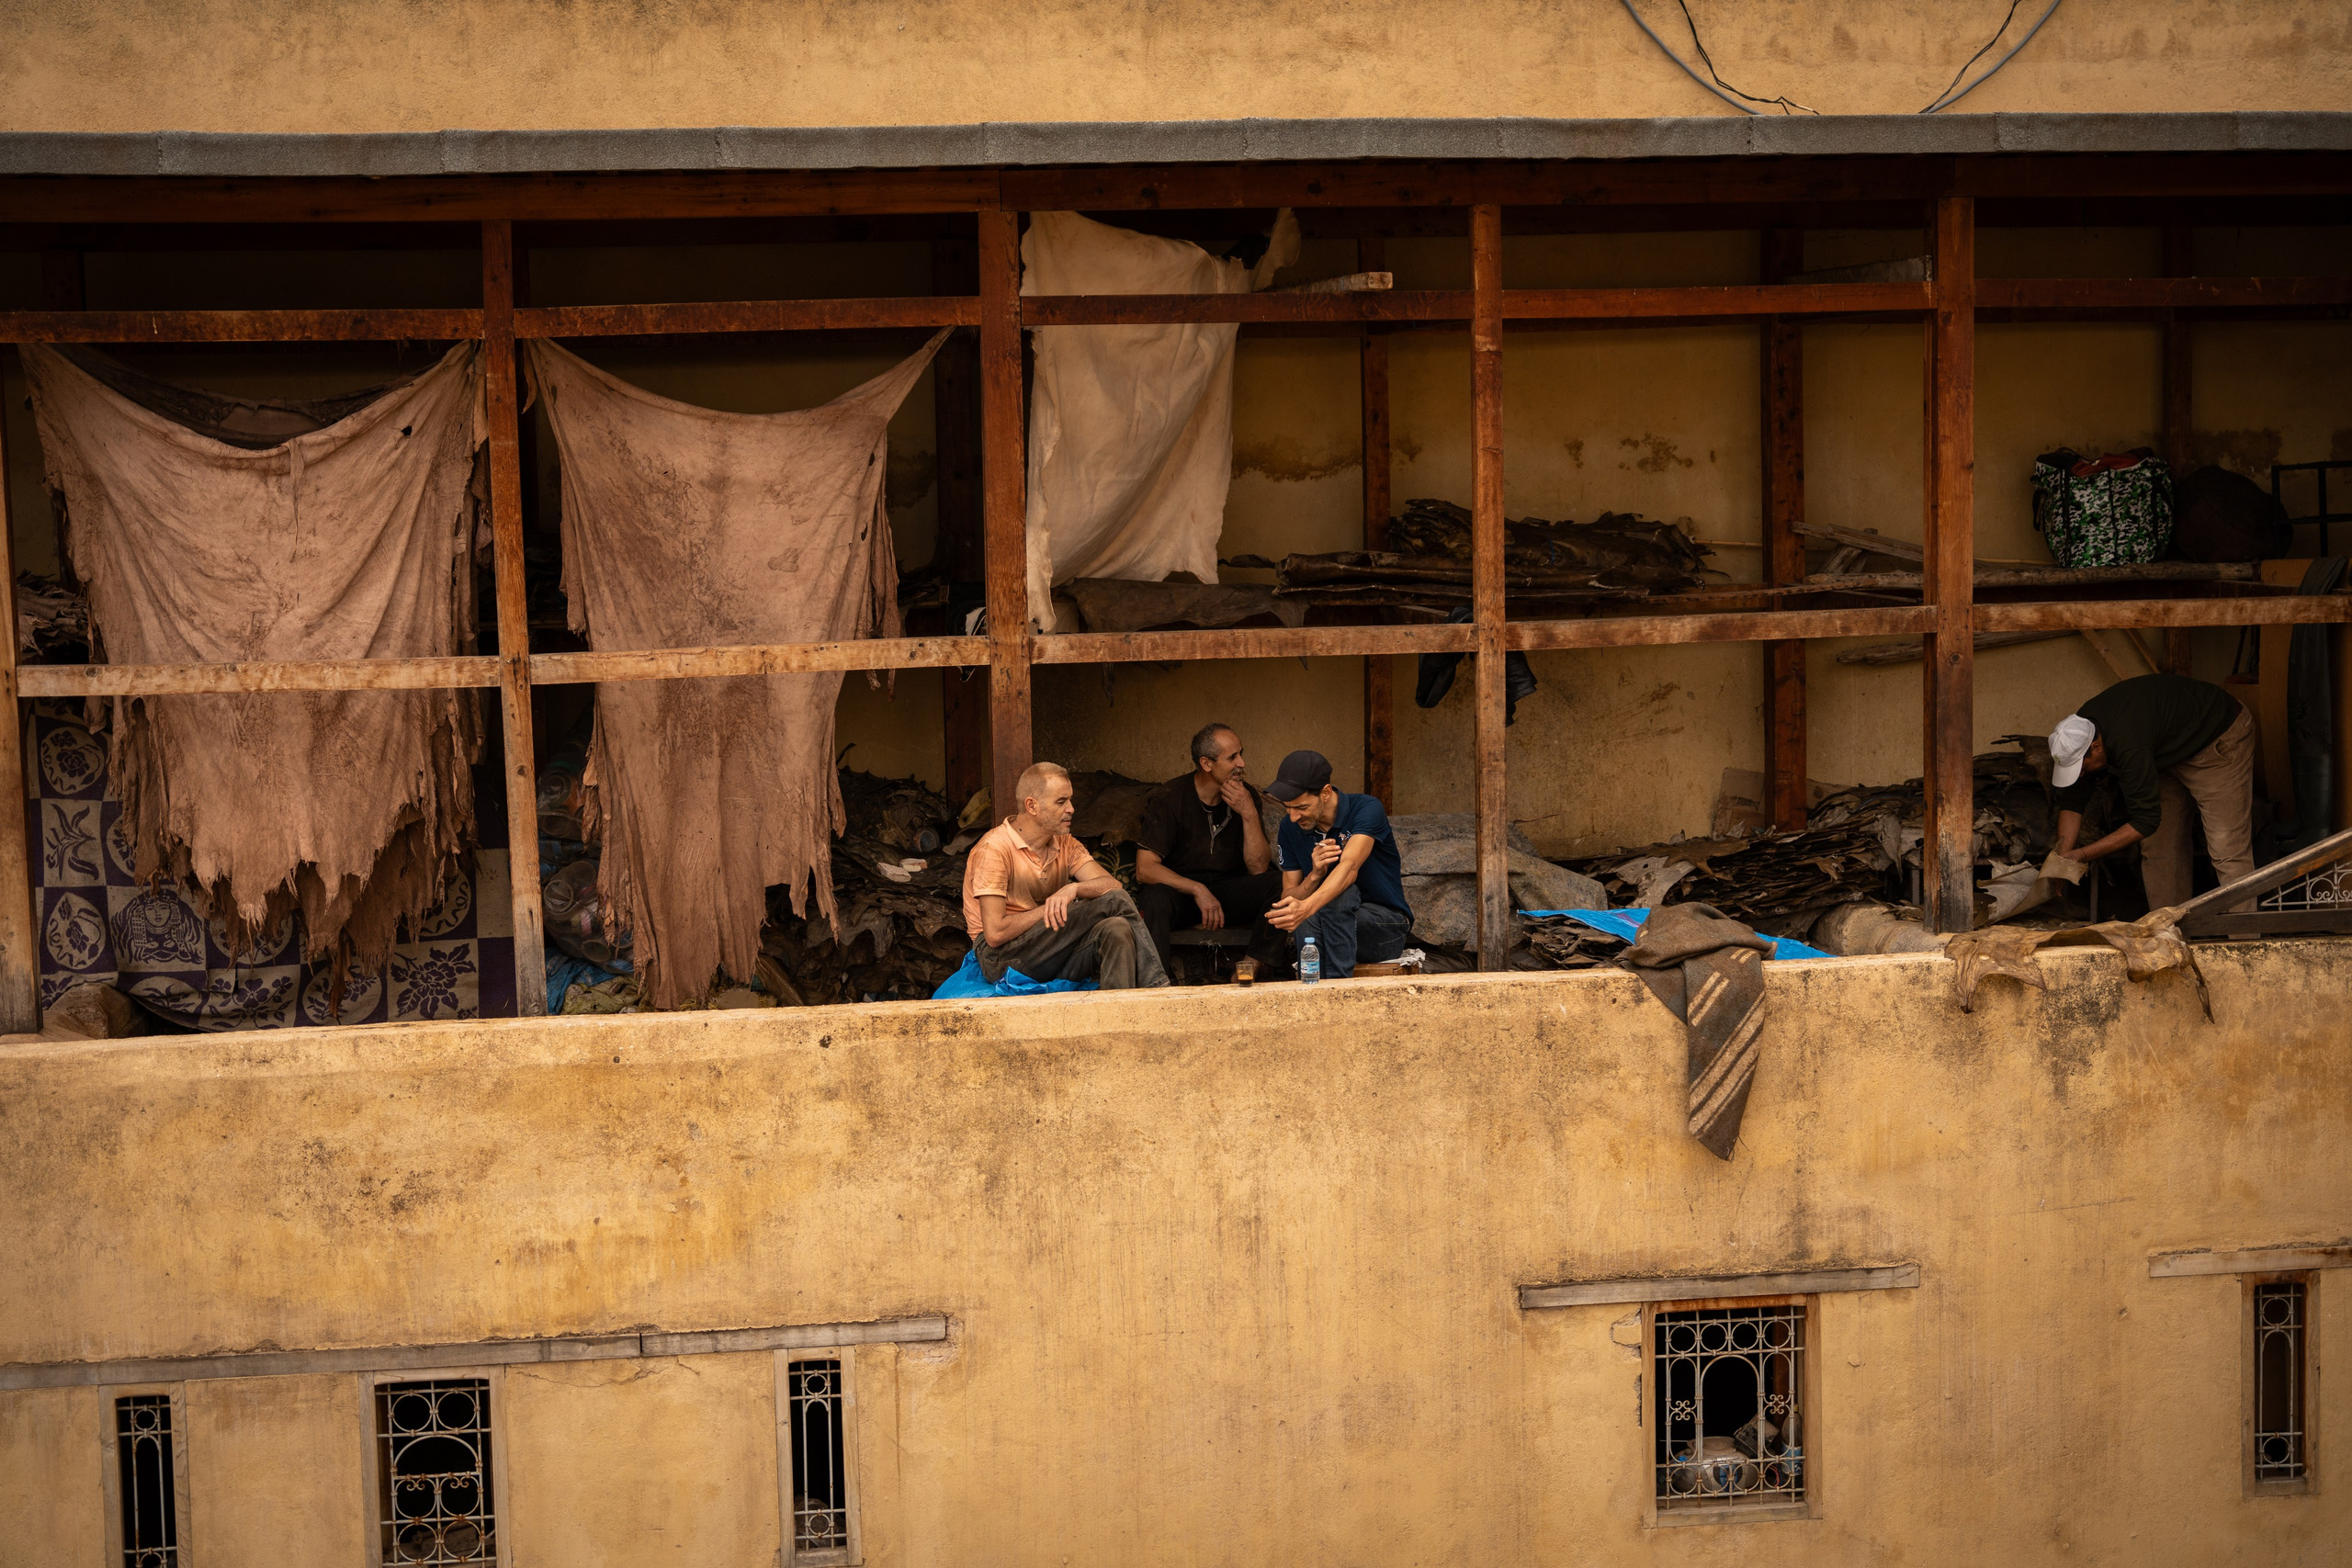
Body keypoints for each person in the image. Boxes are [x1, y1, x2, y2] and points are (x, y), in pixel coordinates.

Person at [2049, 671, 2256, 909]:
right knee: (2159, 847)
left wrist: (2083, 855)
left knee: (2227, 848)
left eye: (2081, 768)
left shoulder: (2129, 743)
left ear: (2096, 747)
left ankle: (2245, 941)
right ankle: (2168, 935)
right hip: (2165, 749)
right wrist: (2061, 862)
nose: (2080, 774)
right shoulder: (2078, 733)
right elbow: (2073, 801)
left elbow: (2145, 820)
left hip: (2216, 738)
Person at [963, 761, 1169, 989]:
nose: (1071, 808)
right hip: (1002, 959)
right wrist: (1050, 909)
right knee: (1114, 902)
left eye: (1070, 799)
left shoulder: (1064, 842)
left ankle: (1117, 1016)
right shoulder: (994, 849)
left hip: (1047, 952)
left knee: (1116, 929)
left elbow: (1111, 885)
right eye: (1061, 802)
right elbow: (995, 934)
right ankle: (1157, 988)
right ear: (1032, 806)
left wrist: (1073, 890)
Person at [1133, 723, 1284, 975]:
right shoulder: (1170, 798)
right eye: (1232, 757)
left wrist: (1248, 813)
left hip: (1229, 889)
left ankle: (1252, 965)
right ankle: (1156, 983)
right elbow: (1145, 869)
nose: (1242, 764)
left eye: (1241, 754)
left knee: (1281, 883)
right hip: (1183, 894)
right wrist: (1196, 889)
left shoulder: (1246, 796)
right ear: (1206, 763)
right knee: (1154, 897)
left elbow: (1258, 868)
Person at [1261, 749, 1414, 978]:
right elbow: (1289, 898)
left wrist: (1307, 907)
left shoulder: (1366, 808)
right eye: (1287, 807)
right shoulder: (1289, 827)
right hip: (1327, 927)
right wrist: (1314, 875)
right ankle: (1315, 987)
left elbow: (1349, 868)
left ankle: (1336, 987)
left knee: (1338, 896)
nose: (1293, 816)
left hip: (1384, 930)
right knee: (1308, 909)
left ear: (1325, 792)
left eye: (1301, 807)